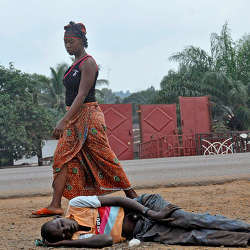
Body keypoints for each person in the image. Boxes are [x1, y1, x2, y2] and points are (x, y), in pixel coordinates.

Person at [32, 21, 137, 217]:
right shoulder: (74, 65)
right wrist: (68, 119)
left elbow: (81, 95)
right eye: (65, 42)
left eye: (71, 41)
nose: (67, 45)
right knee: (62, 159)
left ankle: (133, 197)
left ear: (81, 41)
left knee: (104, 157)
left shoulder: (88, 63)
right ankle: (55, 204)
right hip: (75, 117)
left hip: (89, 116)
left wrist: (63, 120)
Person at [39, 194, 250, 248]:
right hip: (142, 231)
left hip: (144, 207)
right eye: (63, 234)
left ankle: (245, 227)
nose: (66, 229)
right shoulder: (79, 237)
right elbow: (103, 240)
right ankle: (244, 240)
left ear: (59, 218)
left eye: (60, 224)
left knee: (189, 220)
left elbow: (118, 199)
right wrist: (66, 243)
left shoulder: (76, 204)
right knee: (192, 237)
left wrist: (151, 213)